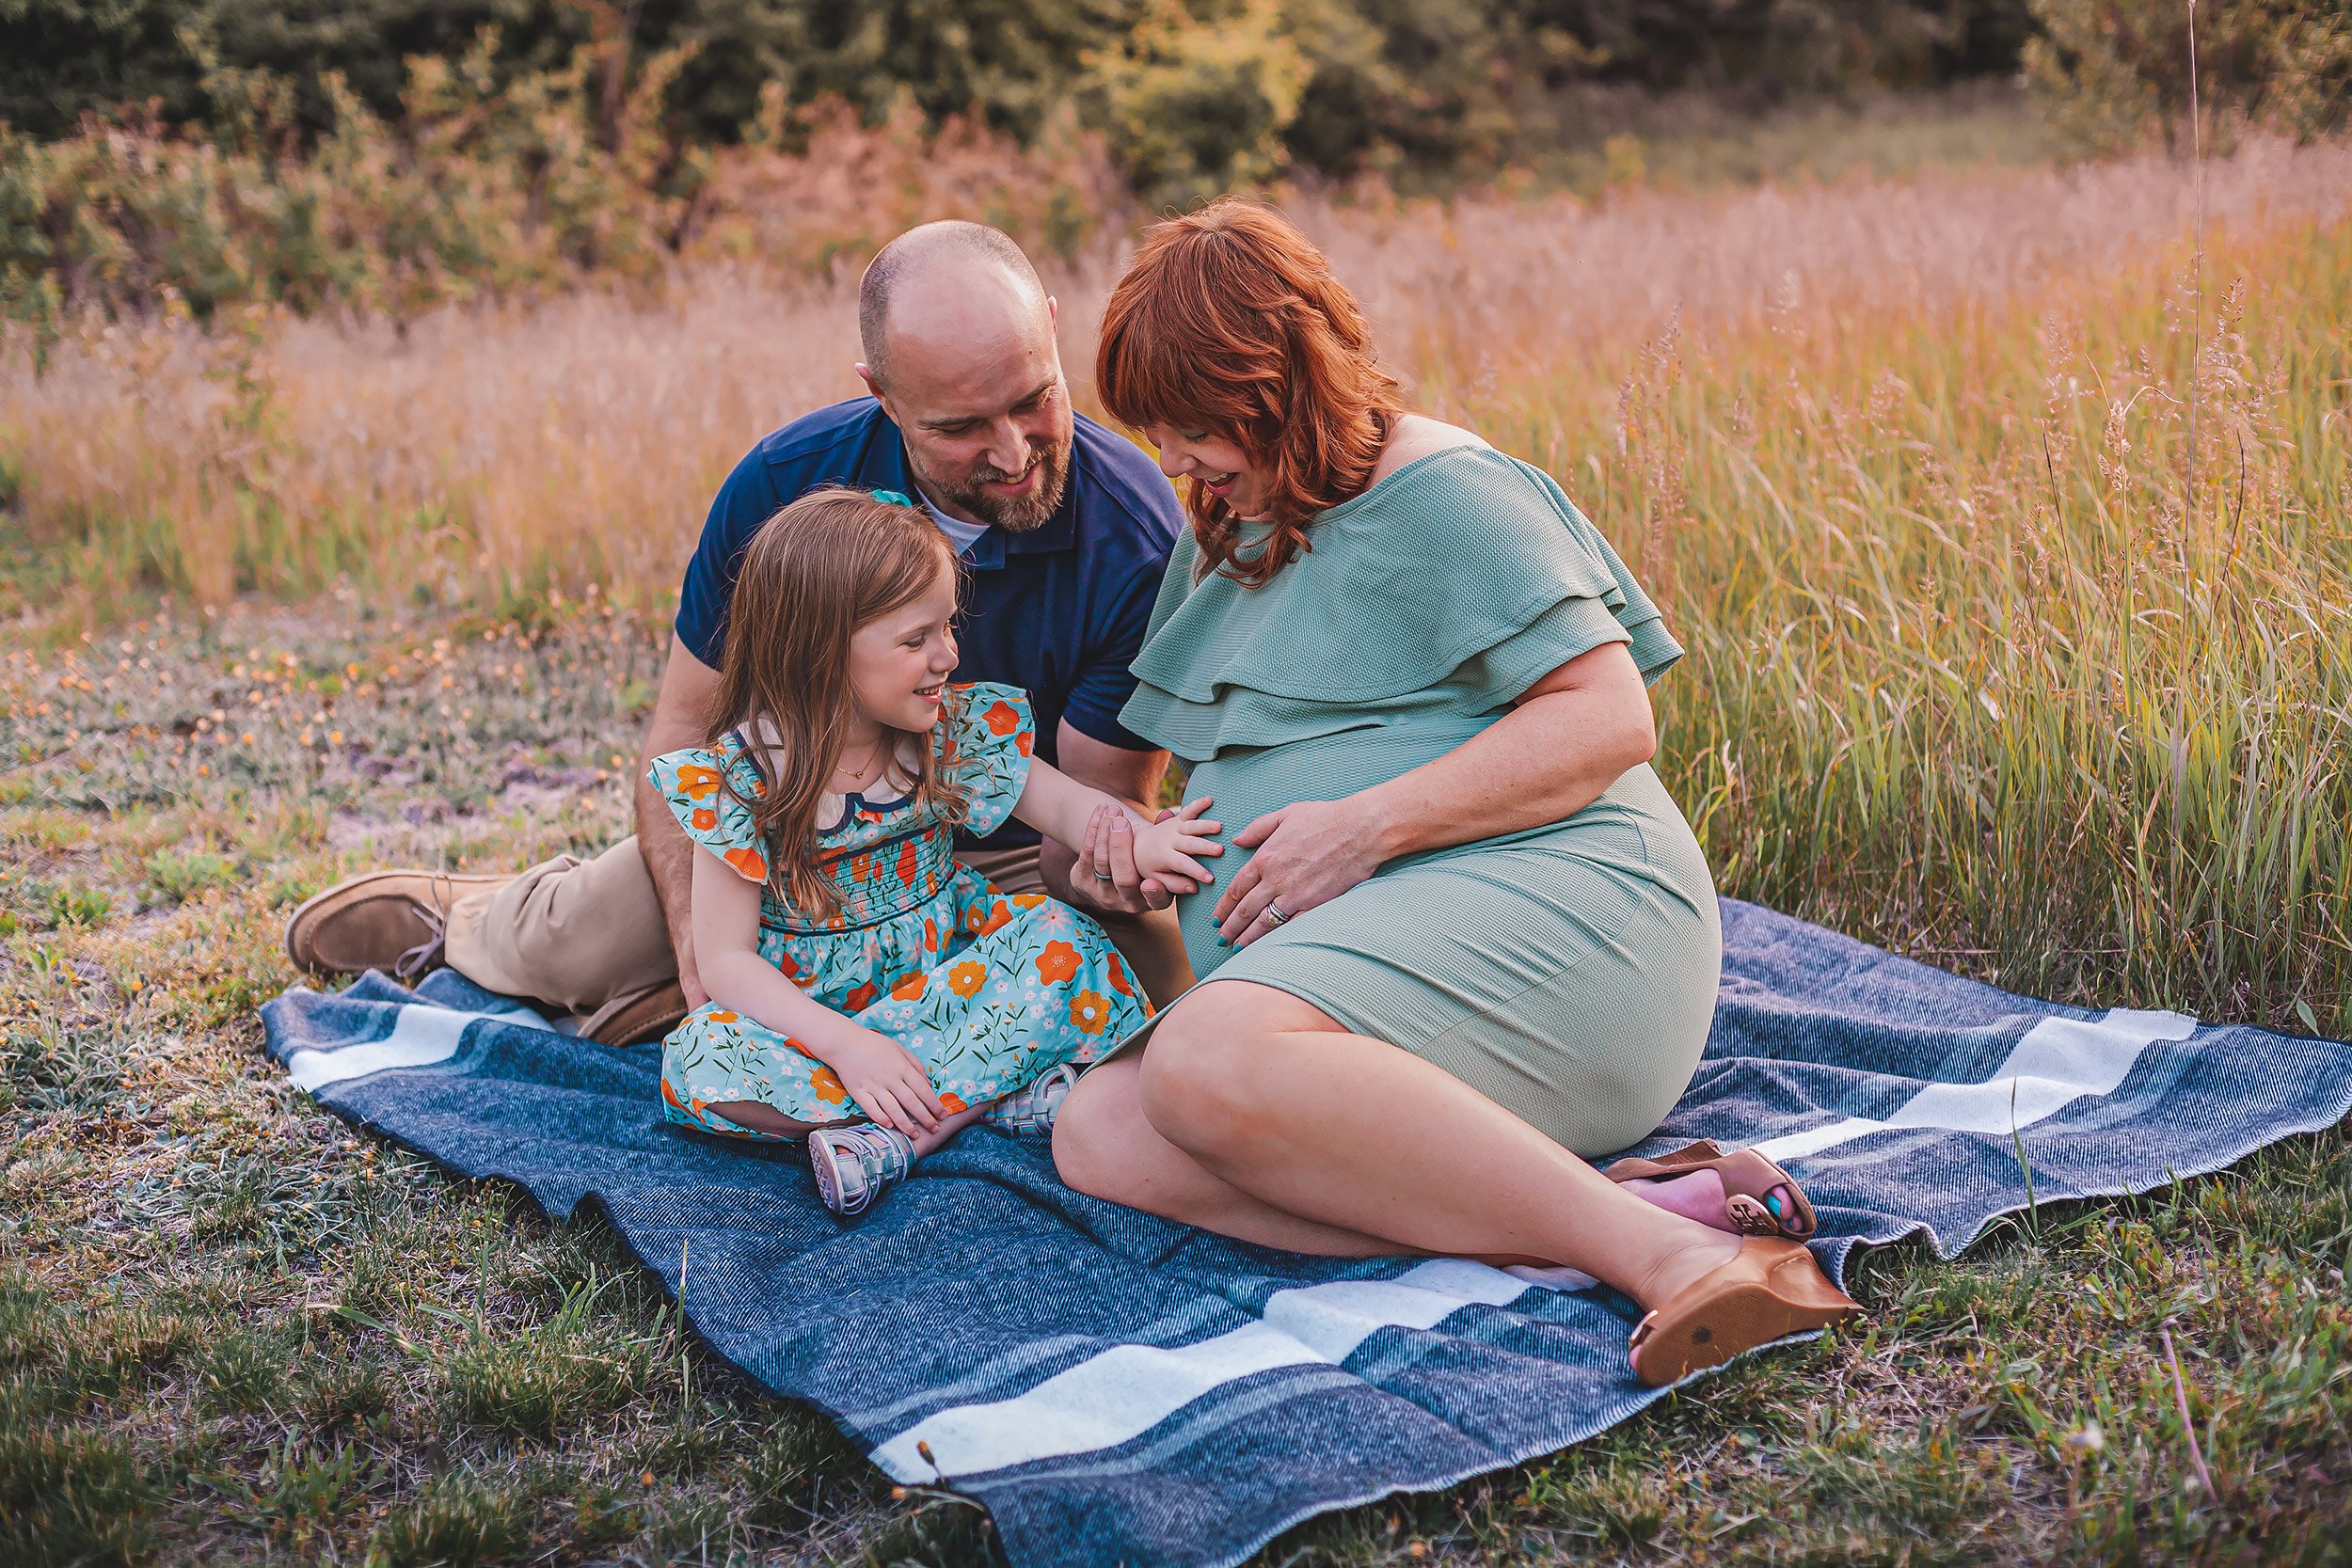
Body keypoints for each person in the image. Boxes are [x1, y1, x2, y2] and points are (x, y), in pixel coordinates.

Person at [1050, 198, 1857, 1387]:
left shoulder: (1445, 489)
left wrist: (1363, 827)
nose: (1171, 463)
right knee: (1100, 1130)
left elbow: (1608, 718)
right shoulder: (1237, 523)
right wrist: (1133, 855)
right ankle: (1590, 1205)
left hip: (1577, 913)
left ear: (1276, 391)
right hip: (1393, 962)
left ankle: (1675, 1256)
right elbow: (1170, 773)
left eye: (1192, 431)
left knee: (1200, 1061)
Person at [284, 222, 1195, 1044]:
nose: (1012, 450)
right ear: (880, 394)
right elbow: (682, 731)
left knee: (1147, 1000)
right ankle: (483, 921)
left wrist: (1116, 870)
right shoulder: (784, 487)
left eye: (1033, 397)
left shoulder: (1137, 535)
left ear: (1048, 321)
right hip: (803, 823)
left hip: (1000, 844)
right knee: (589, 945)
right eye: (960, 428)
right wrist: (699, 964)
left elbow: (1085, 820)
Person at [651, 486, 1215, 1214]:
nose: (948, 653)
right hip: (817, 1025)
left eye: (948, 625)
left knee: (1065, 939)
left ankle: (893, 1134)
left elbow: (1072, 808)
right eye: (916, 640)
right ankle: (985, 1096)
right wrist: (848, 1047)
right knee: (701, 1059)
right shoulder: (740, 779)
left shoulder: (949, 735)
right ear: (820, 652)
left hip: (955, 985)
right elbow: (725, 960)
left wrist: (1148, 837)